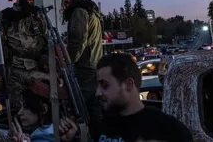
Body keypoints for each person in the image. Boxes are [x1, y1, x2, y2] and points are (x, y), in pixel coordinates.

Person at [59, 53, 193, 141]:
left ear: (128, 85)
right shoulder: (102, 127)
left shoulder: (168, 129)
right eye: (97, 86)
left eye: (105, 85)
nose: (98, 93)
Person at [0, 0, 49, 110]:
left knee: (42, 108)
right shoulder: (5, 16)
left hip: (37, 70)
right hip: (15, 71)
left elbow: (46, 39)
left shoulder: (38, 14)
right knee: (18, 110)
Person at [61, 0, 103, 136]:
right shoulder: (91, 11)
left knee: (79, 109)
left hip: (84, 68)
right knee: (94, 109)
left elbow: (78, 42)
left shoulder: (79, 11)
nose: (65, 0)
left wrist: (67, 62)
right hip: (93, 65)